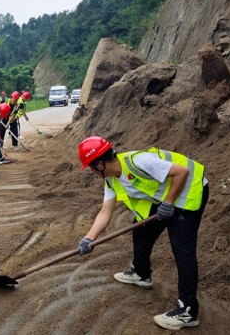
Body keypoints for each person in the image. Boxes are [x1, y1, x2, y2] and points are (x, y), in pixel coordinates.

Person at [76, 136, 208, 331]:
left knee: (182, 249)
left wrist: (169, 203)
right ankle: (141, 273)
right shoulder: (111, 180)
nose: (91, 171)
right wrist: (89, 238)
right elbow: (105, 212)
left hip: (189, 190)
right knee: (141, 228)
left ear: (100, 164)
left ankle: (188, 311)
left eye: (91, 167)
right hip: (164, 196)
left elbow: (182, 171)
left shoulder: (139, 162)